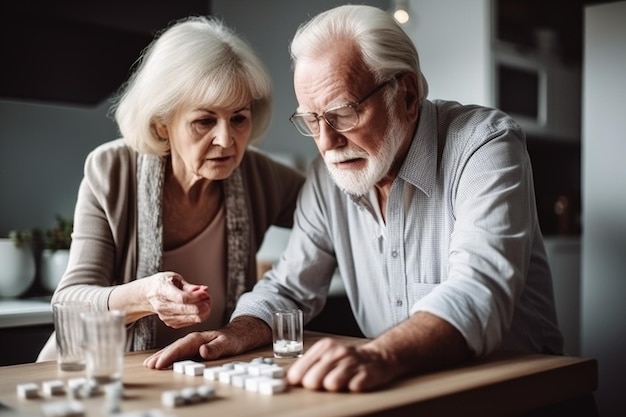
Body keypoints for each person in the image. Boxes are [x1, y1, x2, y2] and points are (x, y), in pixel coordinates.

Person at [143, 5, 564, 393]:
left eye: (343, 113)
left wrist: (379, 353)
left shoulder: (484, 145)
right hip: (413, 394)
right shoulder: (329, 180)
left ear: (408, 96)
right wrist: (235, 333)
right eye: (311, 120)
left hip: (522, 396)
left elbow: (478, 290)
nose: (326, 142)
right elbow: (290, 288)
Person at [36, 15, 305, 361]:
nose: (226, 140)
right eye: (204, 121)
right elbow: (68, 304)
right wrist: (146, 296)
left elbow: (335, 209)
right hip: (91, 375)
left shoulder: (260, 177)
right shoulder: (111, 171)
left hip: (194, 379)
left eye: (238, 118)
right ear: (163, 125)